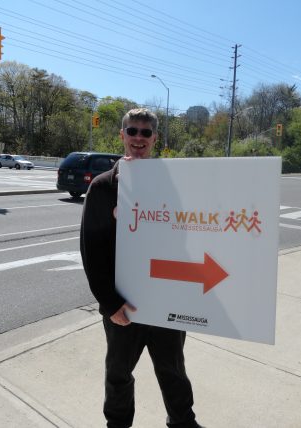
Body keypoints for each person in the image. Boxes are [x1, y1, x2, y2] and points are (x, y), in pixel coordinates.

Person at [80, 108, 202, 428]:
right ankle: (117, 424)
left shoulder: (172, 184)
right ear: (122, 135)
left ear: (154, 139)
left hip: (165, 299)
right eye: (132, 131)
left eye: (145, 133)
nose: (138, 138)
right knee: (118, 373)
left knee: (173, 370)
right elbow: (92, 252)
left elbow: (185, 235)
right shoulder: (103, 187)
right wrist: (110, 304)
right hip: (123, 304)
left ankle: (183, 422)